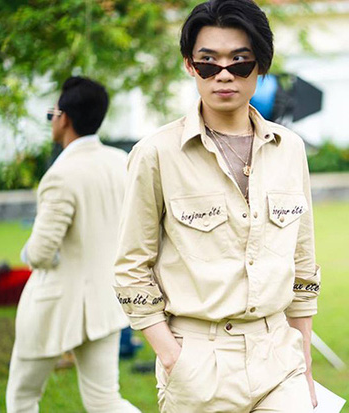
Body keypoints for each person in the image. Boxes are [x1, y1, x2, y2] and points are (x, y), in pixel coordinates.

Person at [113, 1, 320, 412]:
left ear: (261, 66)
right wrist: (171, 355)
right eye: (208, 63)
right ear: (189, 65)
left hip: (280, 358)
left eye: (240, 62)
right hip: (198, 362)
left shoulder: (290, 149)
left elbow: (303, 263)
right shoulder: (156, 154)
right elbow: (131, 266)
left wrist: (305, 362)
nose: (224, 74)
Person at [6, 77, 140, 413]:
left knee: (22, 398)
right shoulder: (120, 161)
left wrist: (27, 252)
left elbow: (40, 253)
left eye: (51, 114)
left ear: (63, 118)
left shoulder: (60, 175)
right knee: (105, 400)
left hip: (54, 305)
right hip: (105, 303)